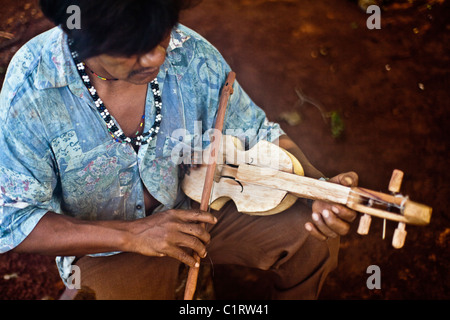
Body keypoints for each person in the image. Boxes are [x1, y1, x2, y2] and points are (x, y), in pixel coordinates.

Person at [0, 0, 358, 299]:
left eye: (161, 36)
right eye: (133, 50)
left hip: (203, 210)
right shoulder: (33, 89)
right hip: (109, 247)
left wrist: (318, 188)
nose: (156, 58)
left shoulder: (190, 53)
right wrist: (133, 235)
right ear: (81, 35)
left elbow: (258, 132)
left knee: (309, 235)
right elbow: (14, 220)